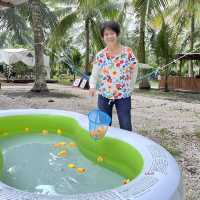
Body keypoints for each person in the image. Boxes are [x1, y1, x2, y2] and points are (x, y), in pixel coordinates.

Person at [89, 21, 138, 131]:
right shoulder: (100, 55)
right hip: (104, 95)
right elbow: (94, 74)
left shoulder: (128, 52)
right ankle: (105, 146)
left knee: (125, 124)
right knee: (103, 126)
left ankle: (126, 146)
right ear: (103, 37)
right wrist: (92, 86)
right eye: (106, 34)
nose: (109, 36)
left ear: (117, 34)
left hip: (123, 95)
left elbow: (134, 70)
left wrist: (130, 88)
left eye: (112, 33)